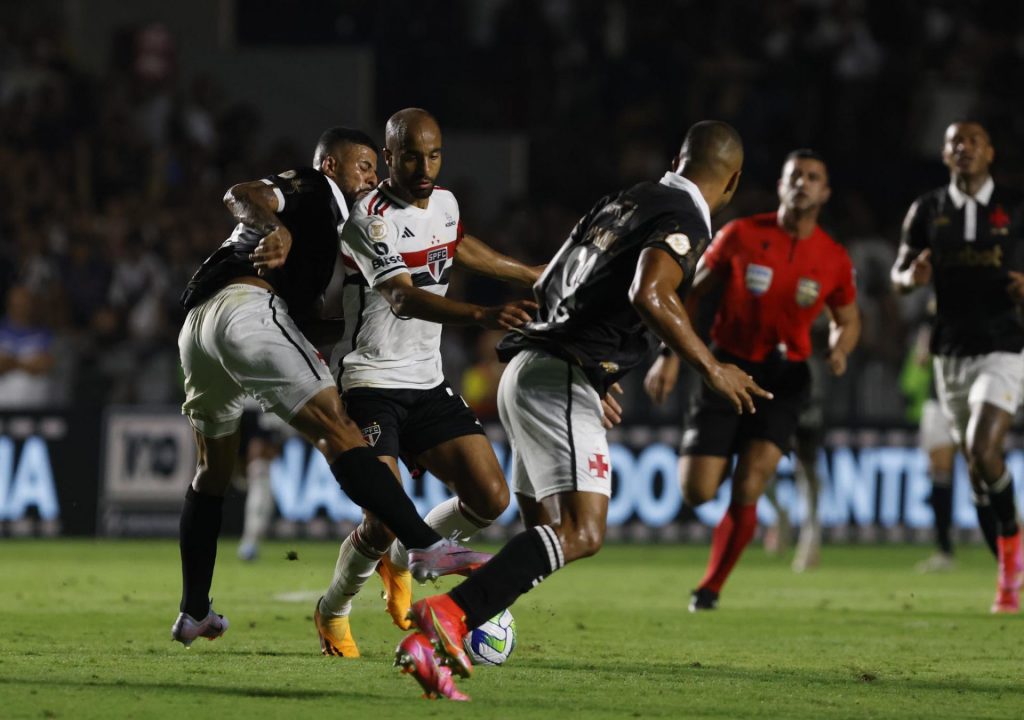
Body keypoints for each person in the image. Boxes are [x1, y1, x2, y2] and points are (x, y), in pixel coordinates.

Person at [394, 120, 770, 700]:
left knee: (545, 533)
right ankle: (449, 613)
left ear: (678, 156)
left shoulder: (623, 200)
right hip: (556, 376)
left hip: (529, 371)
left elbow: (558, 283)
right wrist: (712, 369)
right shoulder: (687, 220)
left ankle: (448, 623)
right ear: (734, 180)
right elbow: (651, 294)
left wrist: (597, 368)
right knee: (584, 531)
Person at [171, 127, 492, 647]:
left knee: (213, 471)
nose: (371, 176)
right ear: (331, 167)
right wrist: (276, 227)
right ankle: (424, 544)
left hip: (198, 327)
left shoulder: (340, 232)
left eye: (373, 167)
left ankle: (194, 611)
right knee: (336, 427)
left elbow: (310, 325)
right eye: (363, 166)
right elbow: (241, 194)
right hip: (243, 309)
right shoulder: (317, 191)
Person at [313, 108, 540, 658]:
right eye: (411, 155)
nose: (425, 165)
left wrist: (535, 273)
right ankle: (334, 609)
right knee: (382, 518)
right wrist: (483, 316)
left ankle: (403, 558)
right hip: (369, 382)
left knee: (491, 497)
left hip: (427, 381)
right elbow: (402, 296)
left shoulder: (444, 203)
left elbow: (458, 245)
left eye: (434, 154)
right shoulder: (367, 219)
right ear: (389, 157)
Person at [644, 149, 860, 612]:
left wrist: (840, 348)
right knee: (697, 490)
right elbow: (692, 295)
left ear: (824, 192)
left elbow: (848, 317)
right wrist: (671, 356)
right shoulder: (740, 235)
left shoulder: (834, 258)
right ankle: (727, 462)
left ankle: (710, 588)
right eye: (794, 175)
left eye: (812, 177)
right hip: (727, 366)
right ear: (781, 186)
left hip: (785, 377)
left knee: (751, 482)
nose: (802, 182)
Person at [890, 121, 1024, 612]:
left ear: (991, 151)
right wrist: (911, 277)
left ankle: (1012, 557)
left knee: (983, 449)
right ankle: (1009, 566)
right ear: (944, 154)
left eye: (972, 141)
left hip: (1005, 348)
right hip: (949, 354)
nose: (962, 148)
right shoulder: (928, 210)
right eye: (954, 142)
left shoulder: (1016, 206)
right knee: (977, 470)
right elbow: (899, 273)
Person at [0, 285, 55, 409]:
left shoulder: (45, 333)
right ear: (10, 305)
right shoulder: (1, 330)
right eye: (18, 304)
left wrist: (11, 362)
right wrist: (27, 363)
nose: (22, 307)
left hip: (34, 403)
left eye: (26, 303)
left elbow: (43, 365)